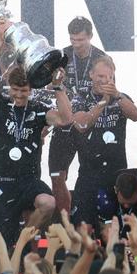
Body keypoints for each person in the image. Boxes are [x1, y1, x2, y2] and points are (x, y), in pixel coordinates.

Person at [0, 20, 73, 245]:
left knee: (48, 203)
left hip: (29, 180)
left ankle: (25, 237)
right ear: (9, 88)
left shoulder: (38, 110)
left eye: (24, 91)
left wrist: (58, 87)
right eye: (16, 90)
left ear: (31, 90)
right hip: (4, 179)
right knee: (3, 239)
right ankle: (10, 247)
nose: (20, 95)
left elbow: (66, 119)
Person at [71, 55, 137, 231]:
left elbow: (136, 116)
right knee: (83, 226)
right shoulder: (81, 98)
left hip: (115, 171)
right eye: (100, 76)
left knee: (112, 226)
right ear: (91, 75)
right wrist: (103, 102)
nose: (104, 80)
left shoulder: (120, 98)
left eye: (108, 77)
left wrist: (116, 96)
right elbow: (82, 125)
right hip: (89, 171)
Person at [49, 17, 107, 213]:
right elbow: (50, 87)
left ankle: (90, 221)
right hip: (65, 123)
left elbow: (109, 90)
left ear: (90, 36)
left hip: (90, 124)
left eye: (81, 40)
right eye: (73, 39)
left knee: (91, 175)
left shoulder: (102, 59)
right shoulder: (62, 56)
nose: (76, 44)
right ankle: (64, 222)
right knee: (57, 176)